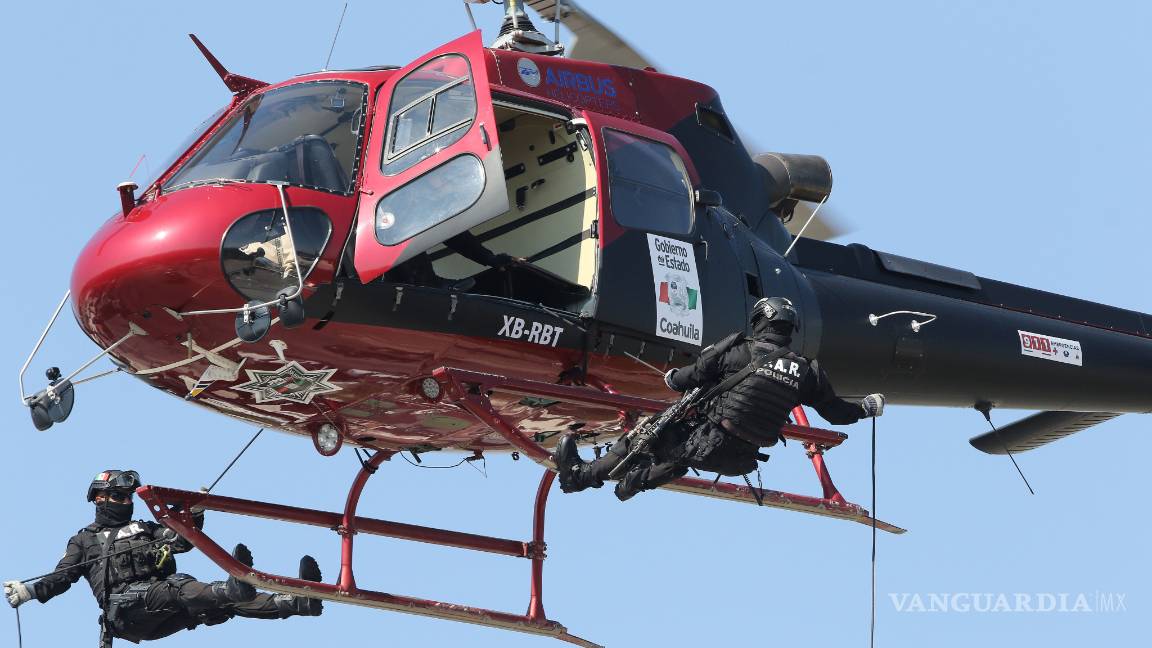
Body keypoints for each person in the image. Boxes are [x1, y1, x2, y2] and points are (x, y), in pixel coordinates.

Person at [555, 297, 886, 501]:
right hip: (738, 459)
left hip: (705, 442)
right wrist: (866, 408)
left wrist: (671, 377)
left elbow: (688, 379)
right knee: (686, 449)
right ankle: (634, 484)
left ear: (760, 322)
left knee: (648, 434)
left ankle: (580, 477)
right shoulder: (806, 370)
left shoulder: (738, 350)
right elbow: (837, 413)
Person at [3, 470, 322, 645]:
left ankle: (295, 603)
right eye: (118, 496)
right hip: (126, 613)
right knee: (179, 586)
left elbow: (180, 543)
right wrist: (29, 591)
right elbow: (63, 576)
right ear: (99, 499)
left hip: (162, 609)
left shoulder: (146, 528)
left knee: (213, 600)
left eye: (129, 498)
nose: (126, 502)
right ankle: (232, 587)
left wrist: (193, 516)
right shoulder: (84, 540)